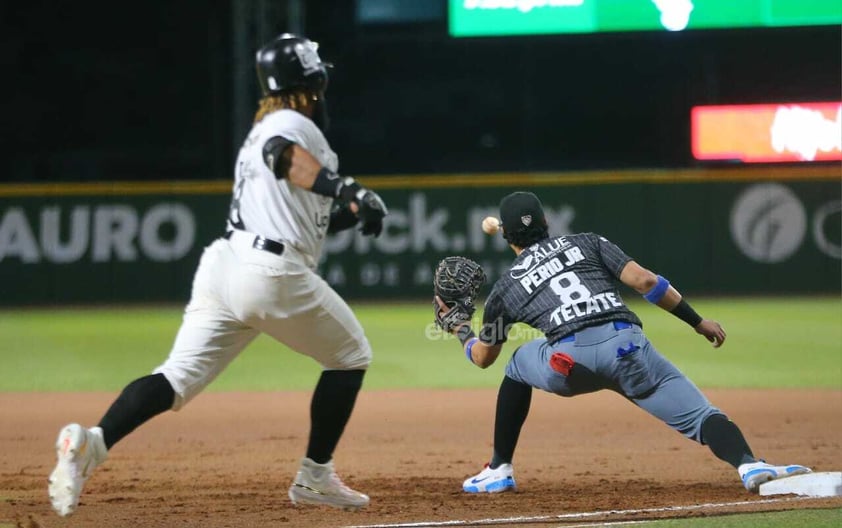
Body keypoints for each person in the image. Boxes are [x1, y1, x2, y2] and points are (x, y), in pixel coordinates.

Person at [48, 33, 387, 517]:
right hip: (268, 271)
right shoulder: (289, 124)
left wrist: (353, 213)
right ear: (312, 78)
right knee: (351, 355)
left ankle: (92, 444)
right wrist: (347, 187)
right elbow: (281, 153)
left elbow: (300, 213)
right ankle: (315, 477)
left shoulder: (265, 127)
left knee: (175, 377)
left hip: (226, 264)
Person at [437, 191, 811, 495]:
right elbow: (647, 283)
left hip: (569, 364)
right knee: (702, 415)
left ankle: (499, 468)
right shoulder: (587, 243)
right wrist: (697, 322)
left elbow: (483, 358)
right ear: (547, 223)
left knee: (517, 362)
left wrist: (460, 329)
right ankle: (749, 465)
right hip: (628, 348)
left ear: (505, 236)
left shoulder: (506, 287)